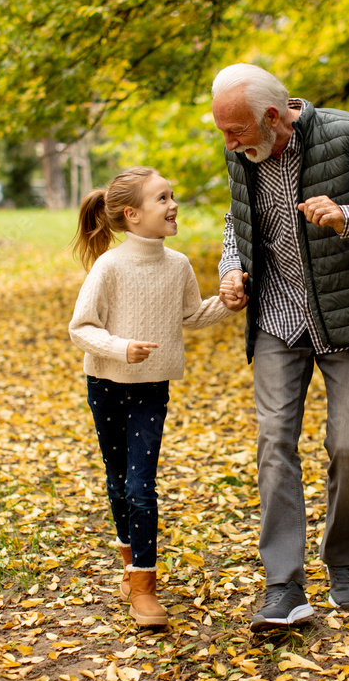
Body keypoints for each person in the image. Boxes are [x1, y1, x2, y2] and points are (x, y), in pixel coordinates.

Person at [213, 64, 349, 633]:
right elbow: (235, 223)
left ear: (271, 117)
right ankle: (283, 586)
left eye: (235, 130)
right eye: (222, 131)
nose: (228, 141)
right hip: (277, 318)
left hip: (347, 317)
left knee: (347, 446)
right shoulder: (244, 153)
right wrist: (232, 270)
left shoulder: (346, 135)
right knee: (273, 441)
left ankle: (342, 561)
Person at [69, 167, 232, 627]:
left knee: (142, 486)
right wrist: (122, 349)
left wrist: (229, 303)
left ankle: (143, 586)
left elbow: (191, 314)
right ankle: (128, 562)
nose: (172, 204)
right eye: (162, 198)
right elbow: (81, 327)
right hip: (105, 385)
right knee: (118, 478)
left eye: (171, 196)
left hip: (151, 390)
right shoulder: (110, 267)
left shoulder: (177, 264)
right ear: (132, 214)